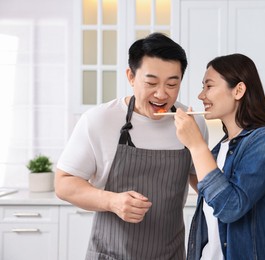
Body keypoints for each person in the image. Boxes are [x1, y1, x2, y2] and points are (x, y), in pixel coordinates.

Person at [55, 32, 208, 260]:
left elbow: (203, 182)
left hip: (171, 254)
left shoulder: (192, 122)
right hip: (111, 254)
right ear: (131, 77)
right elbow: (63, 184)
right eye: (151, 83)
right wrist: (112, 201)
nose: (161, 94)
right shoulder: (99, 119)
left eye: (172, 84)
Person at [174, 53, 265, 260]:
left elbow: (230, 208)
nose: (201, 95)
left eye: (209, 86)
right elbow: (214, 197)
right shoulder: (221, 147)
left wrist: (196, 145)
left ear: (238, 90)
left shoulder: (264, 140)